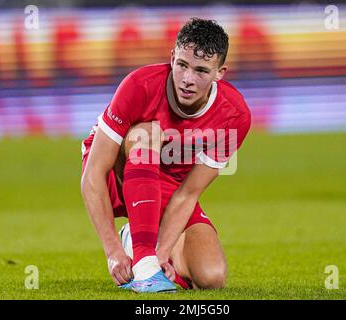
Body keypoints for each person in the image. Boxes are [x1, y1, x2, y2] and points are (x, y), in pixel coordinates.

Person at [80, 18, 251, 293]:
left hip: (167, 183)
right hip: (116, 169)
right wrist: (112, 251)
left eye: (201, 71)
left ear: (220, 72)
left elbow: (188, 193)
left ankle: (140, 244)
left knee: (211, 276)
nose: (187, 80)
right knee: (147, 134)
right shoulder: (140, 85)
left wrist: (163, 251)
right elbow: (94, 173)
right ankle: (144, 262)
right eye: (182, 65)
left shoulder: (234, 116)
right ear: (172, 57)